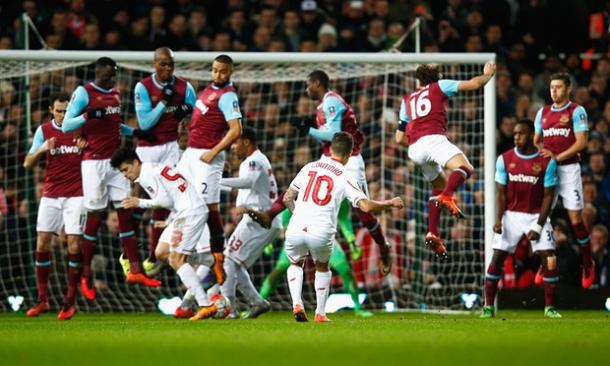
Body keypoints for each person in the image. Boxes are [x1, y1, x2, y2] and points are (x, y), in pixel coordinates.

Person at [63, 57, 160, 301]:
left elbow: (115, 126)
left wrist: (135, 132)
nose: (112, 78)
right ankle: (86, 275)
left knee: (125, 212)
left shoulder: (116, 93)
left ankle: (136, 269)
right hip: (93, 163)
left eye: (114, 74)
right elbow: (66, 126)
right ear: (98, 72)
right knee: (95, 217)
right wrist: (87, 116)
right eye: (109, 74)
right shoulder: (83, 93)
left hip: (115, 162)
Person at [283, 132, 403, 322]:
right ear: (349, 154)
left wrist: (297, 214)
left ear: (330, 149)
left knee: (295, 263)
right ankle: (320, 313)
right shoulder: (345, 175)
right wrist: (390, 202)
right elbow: (365, 206)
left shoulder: (309, 167)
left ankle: (297, 303)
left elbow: (287, 198)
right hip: (321, 229)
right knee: (322, 267)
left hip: (296, 226)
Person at [292, 70, 392, 275]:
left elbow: (334, 134)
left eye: (308, 85)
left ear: (317, 83)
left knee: (363, 212)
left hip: (350, 159)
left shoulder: (331, 102)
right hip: (328, 158)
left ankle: (383, 247)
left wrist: (308, 129)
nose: (306, 89)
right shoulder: (323, 105)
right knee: (304, 194)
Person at [395, 62, 496, 259]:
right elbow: (475, 84)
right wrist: (488, 74)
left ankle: (433, 231)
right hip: (434, 139)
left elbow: (399, 138)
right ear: (436, 76)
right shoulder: (440, 85)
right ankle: (448, 196)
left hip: (415, 148)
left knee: (438, 186)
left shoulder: (406, 99)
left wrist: (417, 144)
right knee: (466, 167)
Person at [110, 148, 216, 321]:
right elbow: (172, 195)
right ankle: (211, 261)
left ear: (136, 163)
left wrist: (139, 202)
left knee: (176, 259)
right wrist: (168, 222)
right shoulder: (153, 168)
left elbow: (165, 201)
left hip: (190, 212)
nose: (125, 175)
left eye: (125, 169)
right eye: (122, 171)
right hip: (183, 212)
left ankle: (205, 305)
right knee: (161, 252)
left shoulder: (146, 175)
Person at [481, 119, 561, 319]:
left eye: (521, 134)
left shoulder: (546, 162)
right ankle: (488, 306)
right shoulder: (504, 159)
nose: (516, 137)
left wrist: (539, 225)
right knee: (497, 257)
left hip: (536, 214)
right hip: (512, 215)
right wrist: (499, 219)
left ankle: (549, 307)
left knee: (549, 259)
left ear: (532, 135)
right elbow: (500, 193)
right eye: (515, 134)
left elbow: (548, 196)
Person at [176, 54, 242, 285]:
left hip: (206, 157)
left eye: (223, 71)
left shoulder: (228, 96)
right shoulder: (207, 90)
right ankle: (179, 246)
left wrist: (214, 152)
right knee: (175, 194)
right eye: (215, 70)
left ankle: (217, 258)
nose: (218, 75)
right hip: (191, 155)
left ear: (230, 72)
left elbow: (236, 130)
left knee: (209, 208)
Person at [131, 47, 196, 276]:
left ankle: (153, 255)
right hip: (147, 149)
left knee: (165, 199)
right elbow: (145, 123)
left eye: (170, 64)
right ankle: (129, 253)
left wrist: (183, 113)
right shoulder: (143, 87)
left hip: (171, 146)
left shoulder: (185, 87)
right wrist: (165, 103)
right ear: (154, 63)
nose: (167, 68)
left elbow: (193, 117)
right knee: (139, 196)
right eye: (162, 64)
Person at [23, 92, 84, 320]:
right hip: (51, 194)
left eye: (66, 111)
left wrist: (85, 147)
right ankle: (42, 300)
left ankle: (69, 302)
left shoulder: (79, 128)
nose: (62, 114)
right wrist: (41, 149)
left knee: (74, 245)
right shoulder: (44, 131)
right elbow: (27, 164)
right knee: (42, 241)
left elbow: (94, 155)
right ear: (51, 110)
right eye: (58, 111)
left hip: (77, 195)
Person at [533, 72, 594, 289]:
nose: (554, 91)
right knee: (542, 218)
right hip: (550, 171)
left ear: (568, 88)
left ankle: (588, 262)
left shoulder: (576, 111)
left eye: (558, 87)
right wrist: (539, 150)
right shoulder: (543, 112)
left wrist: (557, 157)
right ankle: (545, 262)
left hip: (569, 170)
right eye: (552, 87)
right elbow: (536, 140)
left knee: (575, 219)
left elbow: (581, 143)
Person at [259, 208, 373, 317]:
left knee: (345, 270)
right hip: (300, 234)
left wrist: (351, 241)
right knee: (277, 272)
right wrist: (271, 239)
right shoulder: (301, 190)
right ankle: (258, 304)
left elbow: (343, 218)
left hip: (323, 236)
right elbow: (284, 214)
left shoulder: (340, 194)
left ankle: (358, 308)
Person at [220, 127, 279, 318]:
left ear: (246, 141)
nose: (233, 148)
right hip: (260, 220)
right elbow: (246, 187)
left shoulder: (253, 160)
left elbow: (247, 182)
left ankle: (230, 309)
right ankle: (257, 303)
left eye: (235, 143)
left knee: (228, 259)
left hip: (259, 219)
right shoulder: (256, 160)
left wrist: (218, 180)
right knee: (235, 263)